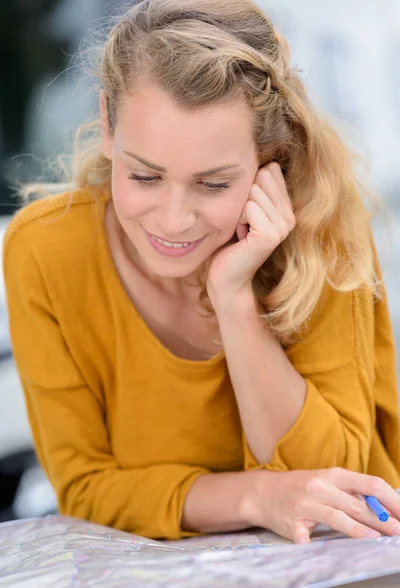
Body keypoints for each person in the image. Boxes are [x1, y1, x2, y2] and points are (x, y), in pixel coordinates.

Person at [3, 0, 400, 544]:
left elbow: (334, 480)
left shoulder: (319, 233)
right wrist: (257, 497)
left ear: (270, 156)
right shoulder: (44, 252)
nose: (173, 220)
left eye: (213, 185)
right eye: (144, 176)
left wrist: (235, 299)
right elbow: (86, 487)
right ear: (106, 126)